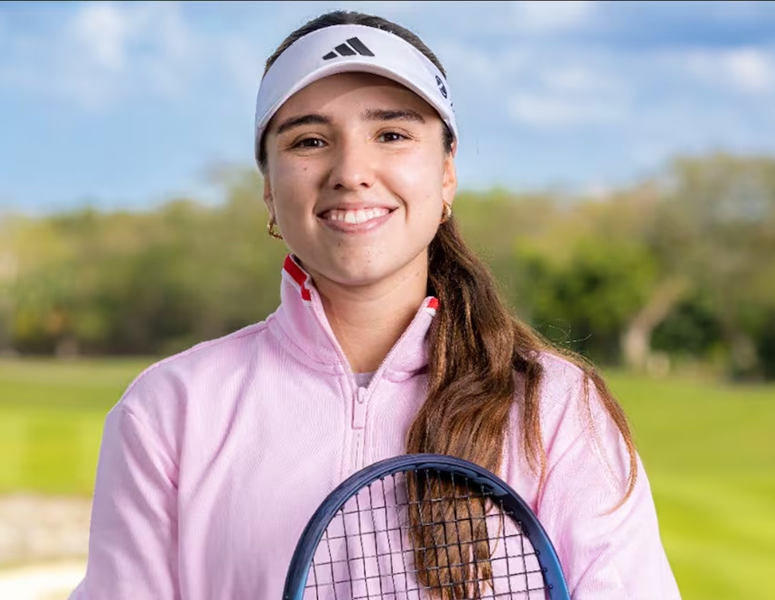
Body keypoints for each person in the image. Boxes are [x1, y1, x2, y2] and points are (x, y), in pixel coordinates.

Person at [69, 9, 680, 600]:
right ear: (269, 190)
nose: (351, 171)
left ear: (446, 174)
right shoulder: (167, 411)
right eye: (310, 140)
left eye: (392, 135)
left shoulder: (558, 409)